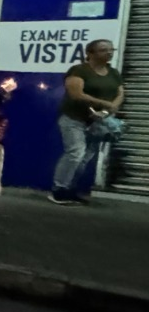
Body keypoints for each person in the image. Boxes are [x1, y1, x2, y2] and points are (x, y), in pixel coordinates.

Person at [52, 38, 124, 205]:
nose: (109, 52)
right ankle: (58, 190)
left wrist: (110, 108)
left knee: (85, 157)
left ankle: (69, 189)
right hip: (74, 118)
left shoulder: (113, 72)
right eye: (103, 50)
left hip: (98, 122)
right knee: (75, 152)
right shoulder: (79, 70)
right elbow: (76, 94)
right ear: (90, 53)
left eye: (111, 49)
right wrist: (106, 104)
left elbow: (120, 93)